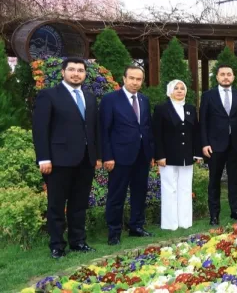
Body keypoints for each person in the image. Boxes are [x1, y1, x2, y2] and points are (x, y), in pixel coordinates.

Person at [32, 57, 100, 259]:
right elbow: (40, 129)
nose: (76, 73)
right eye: (72, 70)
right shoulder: (49, 95)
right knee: (56, 205)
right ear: (63, 72)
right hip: (58, 161)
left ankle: (78, 241)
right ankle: (57, 245)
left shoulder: (89, 97)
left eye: (80, 70)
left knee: (79, 204)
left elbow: (93, 129)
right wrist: (43, 158)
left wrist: (96, 156)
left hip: (85, 160)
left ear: (85, 74)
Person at [100, 65, 155, 245]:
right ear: (123, 79)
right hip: (119, 157)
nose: (135, 82)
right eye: (131, 78)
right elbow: (104, 130)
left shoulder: (144, 100)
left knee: (139, 192)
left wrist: (151, 153)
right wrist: (107, 156)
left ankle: (136, 227)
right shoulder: (110, 100)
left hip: (142, 155)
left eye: (138, 79)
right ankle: (114, 232)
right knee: (117, 195)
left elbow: (146, 128)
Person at [199, 65, 237, 225]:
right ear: (217, 77)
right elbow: (203, 122)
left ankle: (235, 211)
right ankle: (214, 215)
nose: (226, 77)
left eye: (229, 74)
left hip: (235, 145)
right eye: (222, 74)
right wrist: (205, 143)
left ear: (233, 77)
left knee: (234, 181)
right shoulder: (208, 96)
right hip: (214, 146)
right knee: (214, 181)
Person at [152, 80, 203, 230]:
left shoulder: (190, 108)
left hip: (186, 156)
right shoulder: (161, 109)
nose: (179, 91)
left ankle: (185, 221)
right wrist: (159, 155)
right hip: (168, 156)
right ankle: (170, 223)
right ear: (169, 91)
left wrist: (198, 153)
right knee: (169, 189)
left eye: (182, 88)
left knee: (186, 188)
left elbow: (196, 132)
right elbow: (157, 134)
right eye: (176, 88)